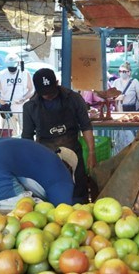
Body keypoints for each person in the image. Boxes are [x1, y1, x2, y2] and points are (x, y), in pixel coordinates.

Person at [22, 68, 95, 203]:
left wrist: (91, 152)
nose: (48, 96)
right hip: (47, 158)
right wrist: (29, 163)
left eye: (51, 91)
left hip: (74, 156)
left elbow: (86, 126)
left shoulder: (74, 99)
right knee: (52, 198)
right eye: (44, 93)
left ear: (57, 82)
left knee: (78, 196)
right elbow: (27, 138)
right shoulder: (30, 107)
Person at [0, 138, 81, 209]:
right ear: (68, 167)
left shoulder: (36, 154)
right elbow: (62, 211)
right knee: (38, 215)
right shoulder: (61, 172)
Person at [0, 54, 34, 134]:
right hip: (8, 110)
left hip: (23, 110)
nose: (12, 69)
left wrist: (24, 98)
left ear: (18, 63)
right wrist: (1, 100)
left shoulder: (25, 73)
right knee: (10, 134)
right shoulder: (1, 74)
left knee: (26, 133)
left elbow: (31, 89)